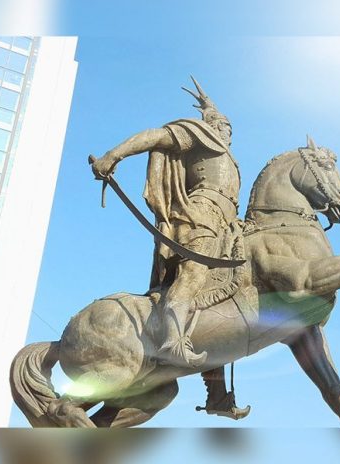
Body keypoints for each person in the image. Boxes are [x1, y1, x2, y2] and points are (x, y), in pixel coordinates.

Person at [91, 77, 241, 369]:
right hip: (199, 216)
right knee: (192, 277)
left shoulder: (227, 156)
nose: (227, 132)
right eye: (223, 126)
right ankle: (172, 342)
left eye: (230, 129)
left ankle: (216, 383)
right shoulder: (198, 134)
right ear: (211, 125)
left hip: (227, 225)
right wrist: (113, 155)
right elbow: (154, 137)